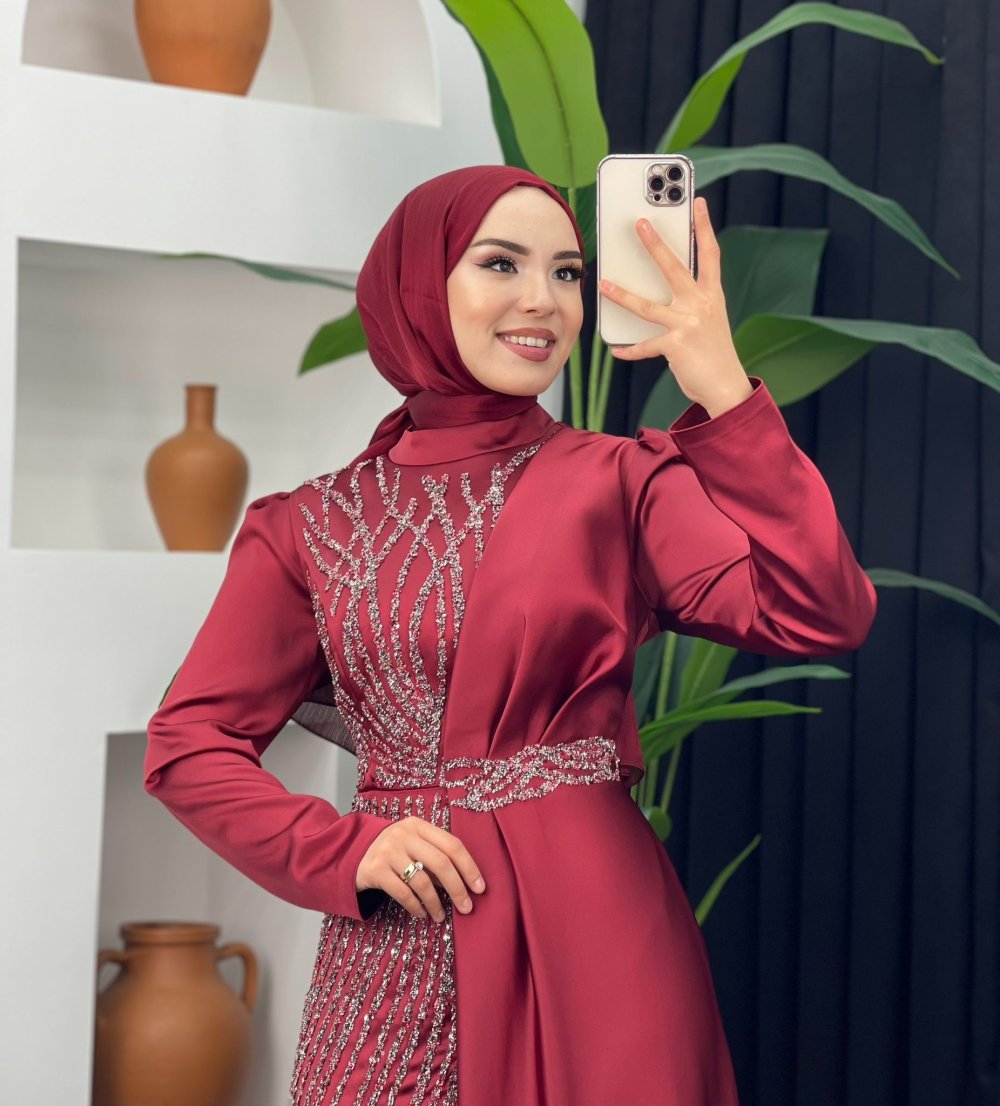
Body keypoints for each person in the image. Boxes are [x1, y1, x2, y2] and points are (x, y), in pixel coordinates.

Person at [144, 164, 877, 1106]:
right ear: (417, 285)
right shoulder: (309, 525)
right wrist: (341, 850)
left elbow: (821, 609)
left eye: (568, 272)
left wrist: (727, 395)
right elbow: (189, 743)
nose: (544, 301)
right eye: (502, 264)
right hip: (396, 934)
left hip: (596, 941)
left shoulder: (621, 482)